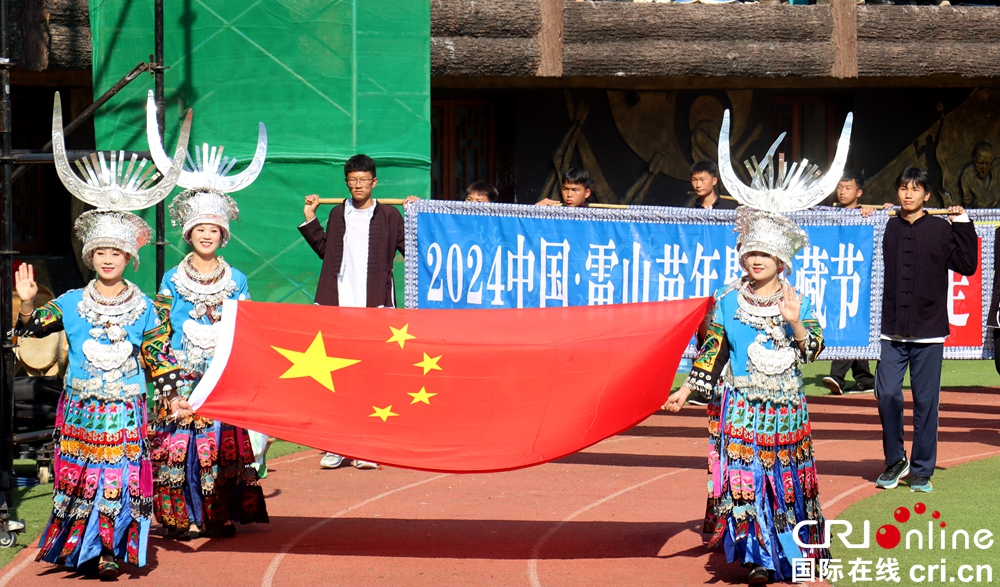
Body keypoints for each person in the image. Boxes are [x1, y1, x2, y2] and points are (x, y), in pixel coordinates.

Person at [663, 207, 829, 585]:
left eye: (765, 254)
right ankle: (757, 559)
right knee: (747, 481)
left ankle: (790, 553)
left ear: (781, 263)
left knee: (784, 482)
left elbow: (812, 351)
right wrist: (687, 388)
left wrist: (794, 322)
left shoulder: (797, 301)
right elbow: (714, 350)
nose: (756, 260)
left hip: (786, 411)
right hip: (740, 407)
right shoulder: (727, 299)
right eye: (751, 252)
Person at [15, 214, 185, 578]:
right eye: (101, 252)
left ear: (129, 259)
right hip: (81, 409)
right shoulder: (71, 302)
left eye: (117, 253)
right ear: (90, 256)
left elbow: (160, 357)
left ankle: (109, 549)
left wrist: (173, 395)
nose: (108, 259)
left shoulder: (146, 309)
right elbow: (30, 327)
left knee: (119, 478)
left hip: (125, 409)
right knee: (80, 477)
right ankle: (83, 547)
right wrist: (27, 303)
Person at [150, 188, 269, 539]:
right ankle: (180, 518)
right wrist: (167, 383)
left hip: (221, 377)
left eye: (213, 230)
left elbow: (246, 330)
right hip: (182, 379)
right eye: (199, 229)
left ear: (224, 236)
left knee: (220, 446)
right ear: (188, 233)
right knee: (181, 447)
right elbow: (160, 331)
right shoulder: (171, 279)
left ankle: (217, 516)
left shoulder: (238, 280)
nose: (206, 235)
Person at [300, 154, 414, 469]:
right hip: (338, 306)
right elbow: (327, 251)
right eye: (353, 180)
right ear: (346, 182)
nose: (358, 185)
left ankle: (367, 445)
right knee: (337, 375)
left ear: (374, 182)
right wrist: (311, 218)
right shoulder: (337, 214)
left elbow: (413, 249)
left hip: (375, 307)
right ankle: (336, 444)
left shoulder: (391, 215)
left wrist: (416, 214)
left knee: (372, 375)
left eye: (364, 180)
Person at [875, 167, 977, 493]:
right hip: (892, 330)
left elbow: (967, 264)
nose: (908, 194)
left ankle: (921, 469)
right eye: (903, 188)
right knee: (887, 393)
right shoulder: (889, 225)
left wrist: (962, 223)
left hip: (929, 330)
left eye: (915, 189)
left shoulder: (940, 228)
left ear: (927, 195)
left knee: (925, 403)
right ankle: (895, 461)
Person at [821, 170, 876, 395]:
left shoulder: (869, 214)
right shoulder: (829, 214)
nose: (842, 192)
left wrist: (878, 211)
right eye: (840, 187)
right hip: (834, 277)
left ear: (859, 192)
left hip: (858, 279)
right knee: (848, 322)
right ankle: (865, 377)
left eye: (848, 188)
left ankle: (837, 376)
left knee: (848, 322)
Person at [959, 142, 1000, 209]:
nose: (983, 167)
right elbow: (967, 203)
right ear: (974, 160)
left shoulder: (997, 174)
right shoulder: (967, 176)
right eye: (980, 162)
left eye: (987, 164)